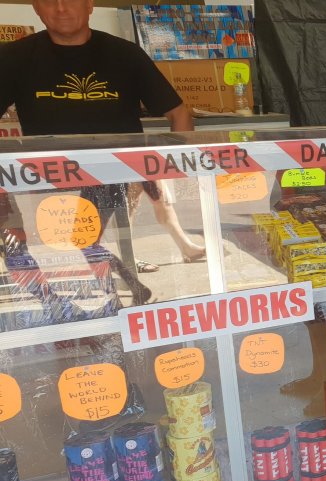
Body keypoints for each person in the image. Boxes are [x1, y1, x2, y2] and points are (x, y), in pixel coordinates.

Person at [0, 0, 201, 296]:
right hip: (45, 182)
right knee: (43, 244)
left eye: (70, 0)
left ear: (89, 5)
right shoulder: (14, 56)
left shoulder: (124, 53)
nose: (61, 9)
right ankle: (66, 301)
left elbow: (179, 114)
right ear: (36, 8)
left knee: (85, 240)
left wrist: (175, 172)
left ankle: (116, 292)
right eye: (50, 1)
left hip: (113, 178)